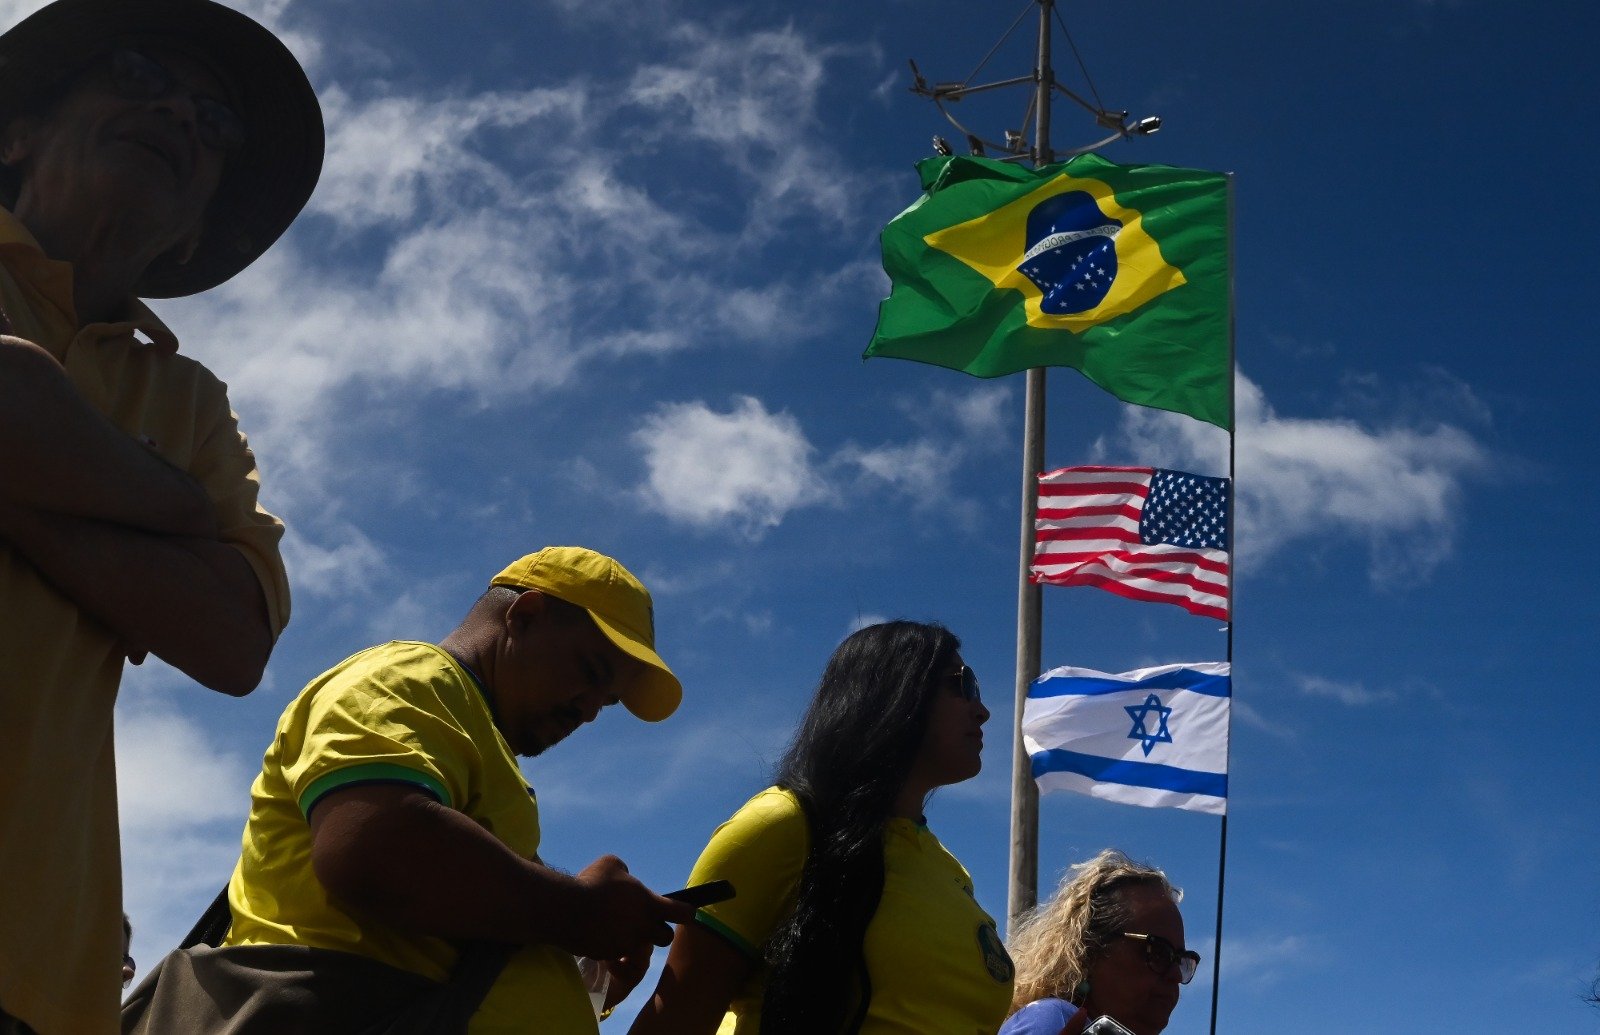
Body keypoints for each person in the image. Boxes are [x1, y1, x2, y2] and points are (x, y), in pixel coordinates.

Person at [0, 1, 322, 1031]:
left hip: (42, 973)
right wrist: (166, 505)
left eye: (214, 123)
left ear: (194, 227)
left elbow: (233, 635)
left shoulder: (189, 402)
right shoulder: (179, 434)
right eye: (140, 74)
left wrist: (34, 486)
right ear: (17, 134)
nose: (182, 113)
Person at [222, 547, 699, 1033]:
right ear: (525, 614)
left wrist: (586, 981)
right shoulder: (408, 677)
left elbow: (441, 949)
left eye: (609, 700)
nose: (592, 709)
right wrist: (581, 910)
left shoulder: (476, 746)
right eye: (592, 673)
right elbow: (375, 847)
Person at [629, 620, 1013, 1035]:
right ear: (894, 690)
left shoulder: (951, 872)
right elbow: (673, 1022)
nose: (983, 709)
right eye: (962, 684)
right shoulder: (783, 824)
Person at [999, 850, 1198, 1035]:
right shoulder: (1054, 1019)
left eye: (1180, 960)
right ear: (1089, 950)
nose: (1176, 975)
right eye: (1158, 952)